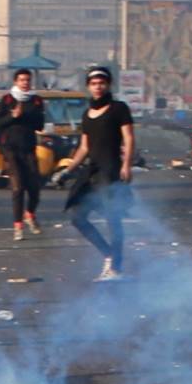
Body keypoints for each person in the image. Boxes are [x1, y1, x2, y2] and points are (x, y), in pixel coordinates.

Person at [66, 66, 136, 281]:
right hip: (92, 172)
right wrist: (68, 168)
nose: (98, 87)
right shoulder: (87, 114)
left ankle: (116, 268)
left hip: (111, 170)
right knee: (76, 216)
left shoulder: (118, 108)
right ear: (88, 86)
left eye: (102, 83)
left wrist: (127, 165)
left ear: (108, 85)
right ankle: (108, 254)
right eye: (94, 84)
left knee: (113, 219)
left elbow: (129, 138)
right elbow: (85, 147)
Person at [0, 68, 47, 241]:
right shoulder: (7, 100)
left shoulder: (36, 101)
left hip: (29, 148)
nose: (25, 83)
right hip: (11, 149)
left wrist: (25, 115)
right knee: (17, 188)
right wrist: (12, 116)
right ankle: (18, 225)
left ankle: (30, 214)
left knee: (35, 187)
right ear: (15, 82)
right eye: (22, 80)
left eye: (27, 80)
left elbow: (40, 125)